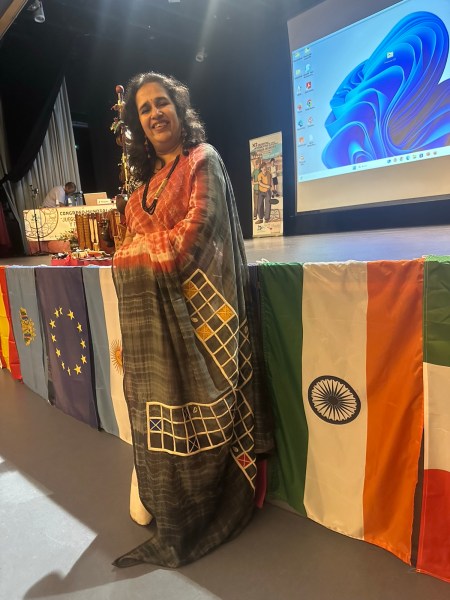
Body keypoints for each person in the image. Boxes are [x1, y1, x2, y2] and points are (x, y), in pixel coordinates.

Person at [112, 71, 272, 568]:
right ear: (138, 125)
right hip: (158, 334)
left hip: (206, 327)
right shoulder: (139, 192)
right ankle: (163, 486)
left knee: (200, 414)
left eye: (162, 102)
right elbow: (129, 251)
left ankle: (199, 497)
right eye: (144, 109)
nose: (155, 113)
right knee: (156, 410)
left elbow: (194, 236)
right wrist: (137, 252)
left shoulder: (203, 161)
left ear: (179, 110)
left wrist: (136, 252)